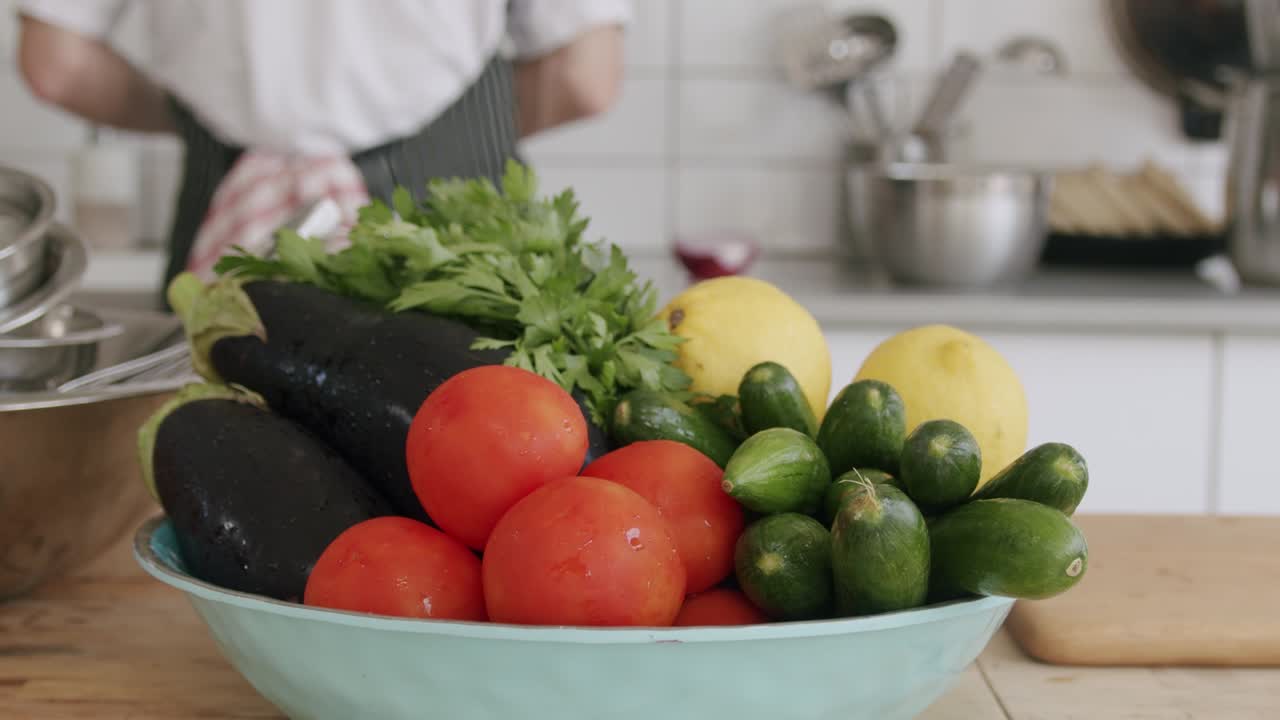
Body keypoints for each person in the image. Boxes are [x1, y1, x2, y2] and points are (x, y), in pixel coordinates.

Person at [16, 0, 631, 292]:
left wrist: (208, 131)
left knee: (218, 467)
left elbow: (57, 64)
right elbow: (584, 77)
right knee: (468, 482)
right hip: (459, 217)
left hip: (230, 195)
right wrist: (460, 133)